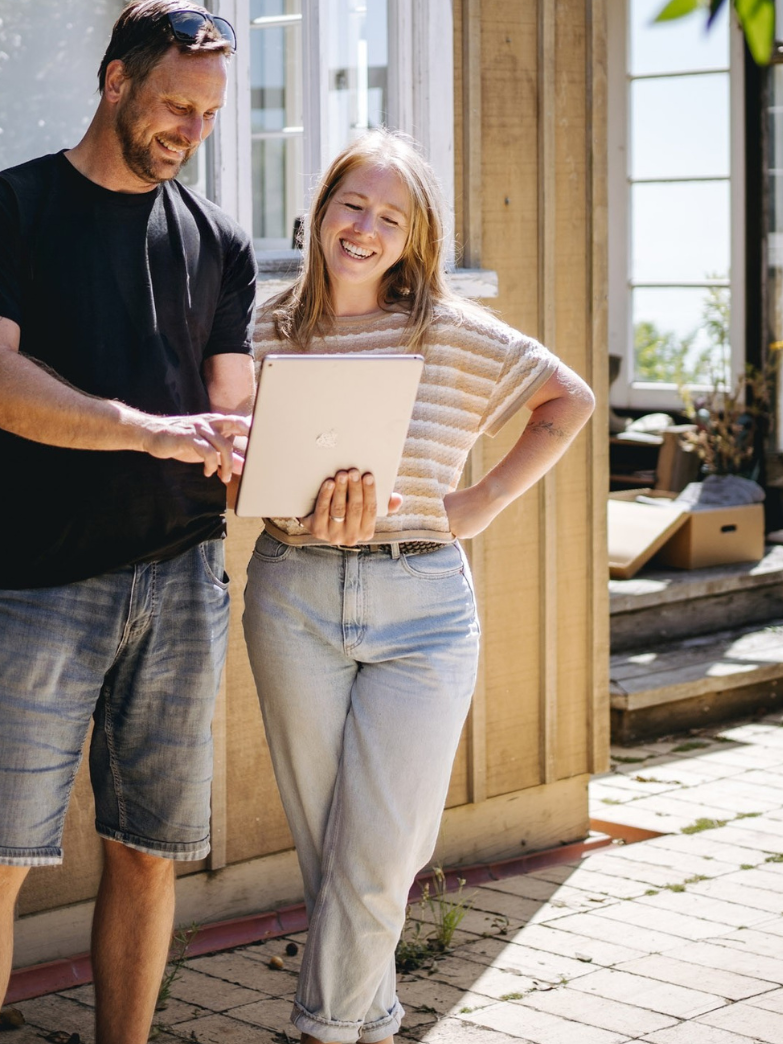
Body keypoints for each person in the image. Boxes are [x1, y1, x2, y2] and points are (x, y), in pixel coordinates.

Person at [0, 0, 254, 1044]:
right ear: (115, 81)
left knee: (150, 852)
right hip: (39, 589)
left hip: (184, 586)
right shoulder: (9, 210)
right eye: (174, 107)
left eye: (209, 115)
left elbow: (234, 416)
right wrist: (148, 431)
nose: (191, 134)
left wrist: (293, 468)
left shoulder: (220, 243)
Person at [240, 130, 595, 1044]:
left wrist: (477, 500)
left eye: (390, 217)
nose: (365, 229)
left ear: (414, 237)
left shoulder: (448, 327)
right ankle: (376, 1018)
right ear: (320, 210)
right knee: (337, 856)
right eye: (352, 205)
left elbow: (569, 400)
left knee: (380, 853)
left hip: (423, 609)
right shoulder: (268, 328)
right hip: (295, 597)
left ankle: (324, 1031)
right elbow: (241, 464)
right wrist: (284, 494)